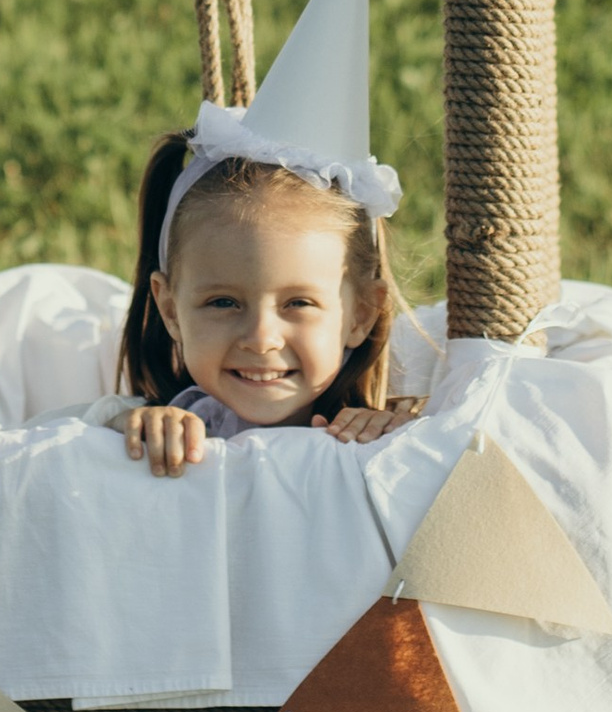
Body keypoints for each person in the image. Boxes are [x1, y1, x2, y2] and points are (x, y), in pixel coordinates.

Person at [104, 133, 425, 474]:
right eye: (223, 302)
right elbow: (71, 439)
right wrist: (129, 424)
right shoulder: (169, 426)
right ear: (170, 310)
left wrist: (391, 432)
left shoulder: (372, 436)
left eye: (298, 303)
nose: (260, 338)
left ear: (360, 314)